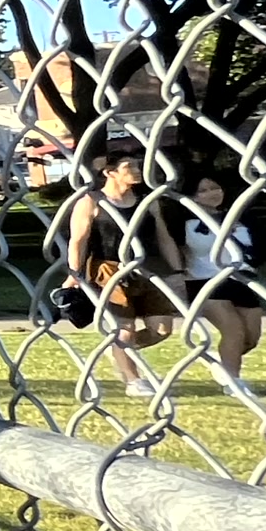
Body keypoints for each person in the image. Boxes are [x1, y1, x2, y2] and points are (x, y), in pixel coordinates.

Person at [58, 141, 182, 393]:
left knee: (161, 329)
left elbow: (164, 237)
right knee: (124, 327)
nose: (137, 170)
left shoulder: (147, 201)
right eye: (129, 167)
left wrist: (177, 271)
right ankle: (133, 380)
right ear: (109, 172)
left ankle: (119, 350)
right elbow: (78, 240)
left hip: (144, 269)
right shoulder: (92, 201)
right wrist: (74, 274)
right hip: (107, 269)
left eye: (138, 166)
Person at [180, 172, 266, 380]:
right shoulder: (183, 223)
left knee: (250, 338)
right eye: (203, 191)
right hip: (205, 281)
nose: (212, 193)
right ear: (192, 197)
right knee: (234, 331)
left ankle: (224, 362)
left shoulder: (241, 217)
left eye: (215, 188)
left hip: (241, 279)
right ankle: (233, 381)